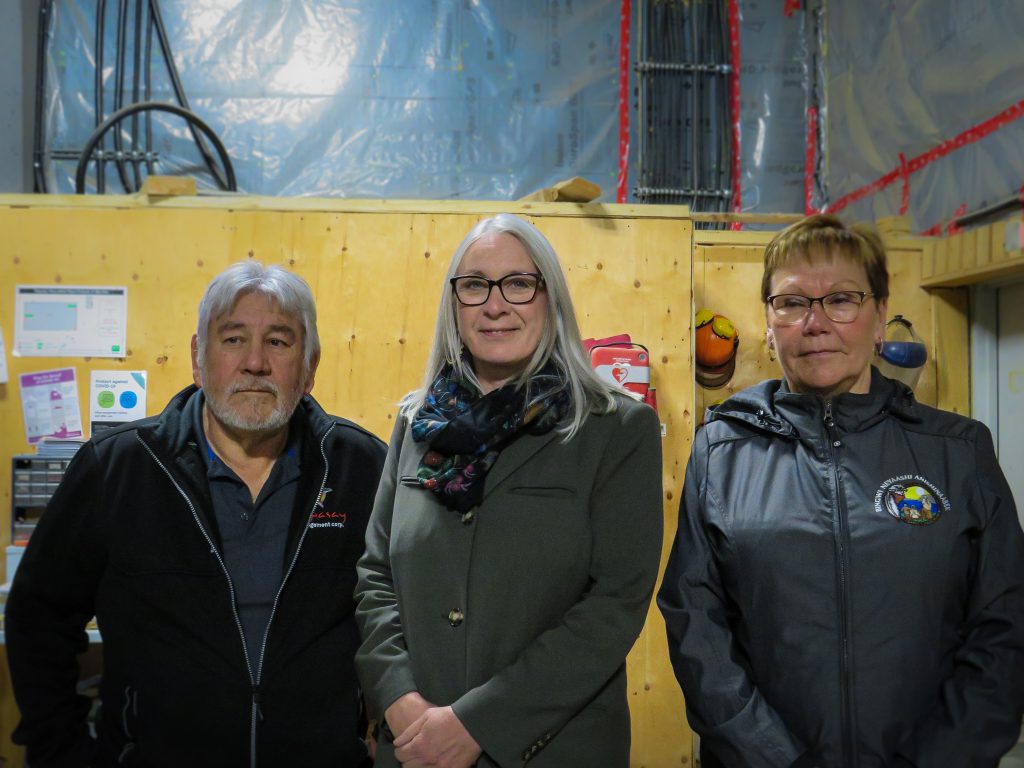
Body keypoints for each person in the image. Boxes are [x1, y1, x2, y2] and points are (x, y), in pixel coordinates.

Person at [658, 213, 1024, 768]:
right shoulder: (721, 453)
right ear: (769, 321)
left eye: (842, 300)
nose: (816, 322)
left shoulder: (958, 452)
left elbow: (1004, 627)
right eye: (793, 302)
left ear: (879, 318)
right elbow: (695, 627)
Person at [5, 261, 387, 767]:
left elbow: (400, 613)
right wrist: (64, 752)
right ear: (197, 357)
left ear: (311, 363)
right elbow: (39, 616)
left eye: (278, 341)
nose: (255, 362)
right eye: (232, 339)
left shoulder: (360, 467)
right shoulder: (118, 467)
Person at [354, 213, 663, 768]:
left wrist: (477, 724)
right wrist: (399, 701)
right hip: (415, 749)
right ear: (454, 304)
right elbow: (375, 574)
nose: (495, 305)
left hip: (552, 751)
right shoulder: (415, 423)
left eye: (518, 283)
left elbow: (613, 605)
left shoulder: (616, 429)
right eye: (474, 286)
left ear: (551, 298)